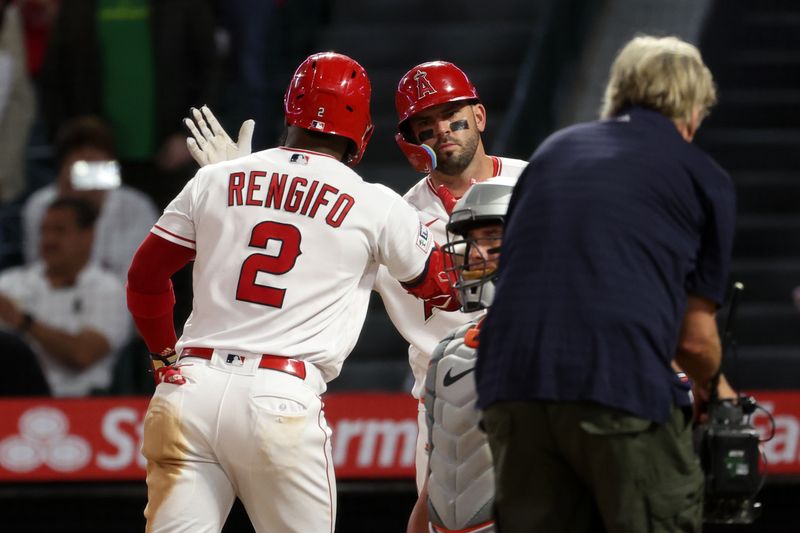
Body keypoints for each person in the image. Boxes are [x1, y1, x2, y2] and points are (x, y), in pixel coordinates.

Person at [181, 61, 529, 532]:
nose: (442, 131)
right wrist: (236, 184)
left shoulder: (537, 185)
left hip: (537, 373)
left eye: (452, 116)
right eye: (424, 125)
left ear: (480, 115)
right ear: (410, 142)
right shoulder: (391, 216)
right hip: (449, 397)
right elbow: (300, 246)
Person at [126, 51, 456, 533]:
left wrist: (161, 355)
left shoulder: (216, 177)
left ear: (290, 112)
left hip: (189, 389)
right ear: (363, 131)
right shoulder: (376, 202)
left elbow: (144, 277)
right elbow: (439, 286)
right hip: (280, 396)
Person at [477, 35, 737, 532]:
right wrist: (720, 391)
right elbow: (694, 340)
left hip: (509, 384)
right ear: (693, 106)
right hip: (614, 385)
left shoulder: (554, 151)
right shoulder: (702, 175)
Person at [38, 0, 217, 208]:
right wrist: (72, 147)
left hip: (167, 152)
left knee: (166, 233)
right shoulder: (77, 7)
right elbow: (55, 79)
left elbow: (209, 71)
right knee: (99, 231)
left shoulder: (183, 6)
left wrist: (190, 135)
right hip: (94, 154)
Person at [423, 177, 515, 533]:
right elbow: (436, 479)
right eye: (470, 242)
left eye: (491, 240)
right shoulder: (447, 351)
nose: (475, 255)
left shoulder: (573, 340)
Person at [0, 196, 131, 396]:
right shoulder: (10, 283)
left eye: (60, 231)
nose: (49, 240)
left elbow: (83, 354)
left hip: (82, 404)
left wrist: (22, 321)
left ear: (89, 235)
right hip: (12, 400)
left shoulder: (108, 289)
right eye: (44, 231)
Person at [22, 115, 158, 279]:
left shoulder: (137, 207)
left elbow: (142, 276)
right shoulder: (40, 204)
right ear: (63, 164)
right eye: (78, 151)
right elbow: (38, 271)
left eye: (96, 150)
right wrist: (68, 206)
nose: (88, 156)